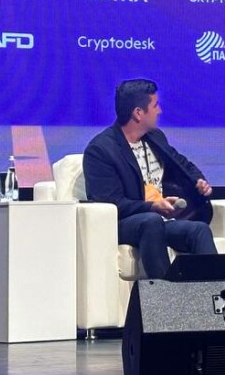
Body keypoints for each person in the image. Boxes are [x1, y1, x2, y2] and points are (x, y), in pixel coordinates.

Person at [83, 78, 217, 279]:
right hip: (125, 223)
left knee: (199, 230)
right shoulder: (101, 150)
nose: (159, 111)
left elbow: (182, 163)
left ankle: (213, 292)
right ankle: (165, 295)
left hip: (159, 220)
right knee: (151, 221)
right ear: (138, 113)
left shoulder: (155, 137)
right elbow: (110, 202)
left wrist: (198, 180)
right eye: (155, 105)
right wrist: (152, 207)